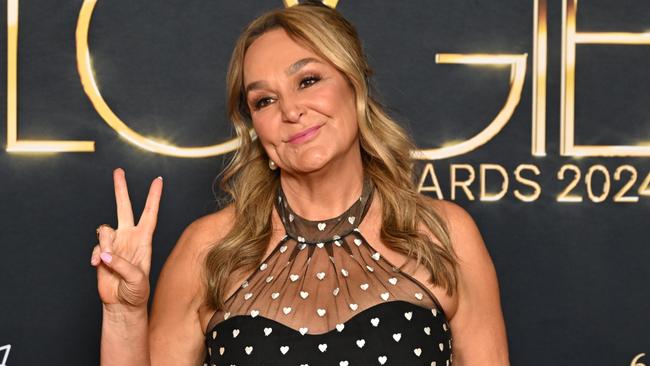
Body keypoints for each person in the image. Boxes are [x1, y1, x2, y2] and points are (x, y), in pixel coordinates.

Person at [90, 2, 509, 365]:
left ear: (354, 84)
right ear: (253, 125)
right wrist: (124, 314)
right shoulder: (207, 250)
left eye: (307, 80)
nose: (290, 110)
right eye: (264, 100)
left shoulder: (443, 234)